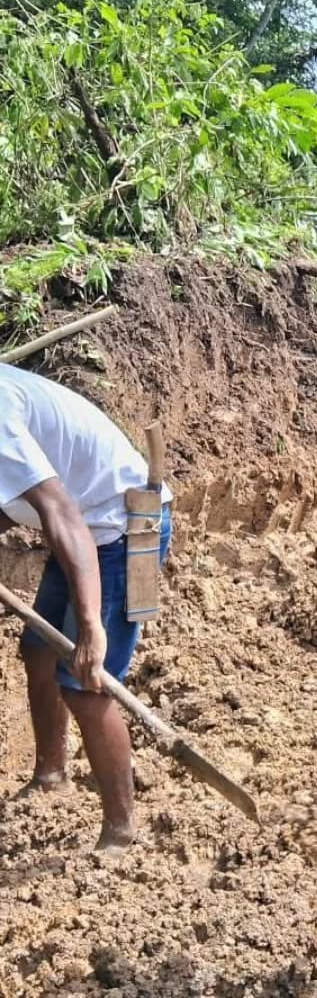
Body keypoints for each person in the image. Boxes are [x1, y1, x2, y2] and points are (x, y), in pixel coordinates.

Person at [0, 364, 172, 853]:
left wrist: (92, 626)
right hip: (87, 529)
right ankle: (51, 774)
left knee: (86, 684)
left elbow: (62, 513)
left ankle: (120, 829)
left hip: (121, 528)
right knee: (38, 649)